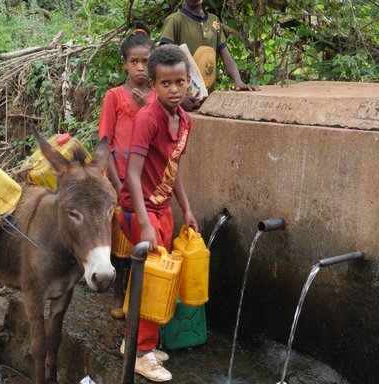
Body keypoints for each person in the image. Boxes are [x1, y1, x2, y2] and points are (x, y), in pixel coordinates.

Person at [117, 44, 198, 382]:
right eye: (166, 84)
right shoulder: (148, 117)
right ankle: (139, 353)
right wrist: (146, 223)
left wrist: (187, 209)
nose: (174, 90)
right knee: (152, 279)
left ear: (188, 81)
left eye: (180, 82)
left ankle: (137, 343)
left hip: (161, 207)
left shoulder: (185, 120)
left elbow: (172, 167)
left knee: (158, 277)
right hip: (139, 210)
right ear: (153, 84)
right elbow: (132, 174)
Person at [98, 22, 157, 320]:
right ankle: (118, 290)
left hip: (148, 181)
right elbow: (105, 142)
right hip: (120, 176)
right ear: (125, 64)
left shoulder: (158, 98)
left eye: (146, 62)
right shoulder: (114, 96)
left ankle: (139, 294)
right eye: (134, 62)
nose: (140, 68)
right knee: (120, 240)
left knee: (142, 241)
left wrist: (146, 103)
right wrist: (118, 183)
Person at [160, 0, 260, 111]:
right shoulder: (175, 20)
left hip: (209, 100)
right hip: (184, 101)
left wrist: (238, 80)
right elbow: (162, 60)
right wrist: (179, 99)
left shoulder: (214, 21)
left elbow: (225, 54)